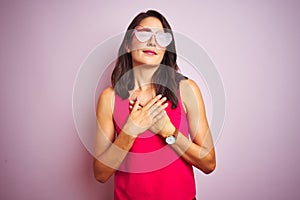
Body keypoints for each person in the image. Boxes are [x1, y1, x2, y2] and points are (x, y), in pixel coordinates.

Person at [93, 10, 216, 200]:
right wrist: (130, 132)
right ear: (127, 44)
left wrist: (169, 132)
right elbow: (100, 174)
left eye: (161, 37)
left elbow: (208, 163)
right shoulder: (109, 98)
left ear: (166, 48)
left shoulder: (186, 89)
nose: (152, 41)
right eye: (143, 34)